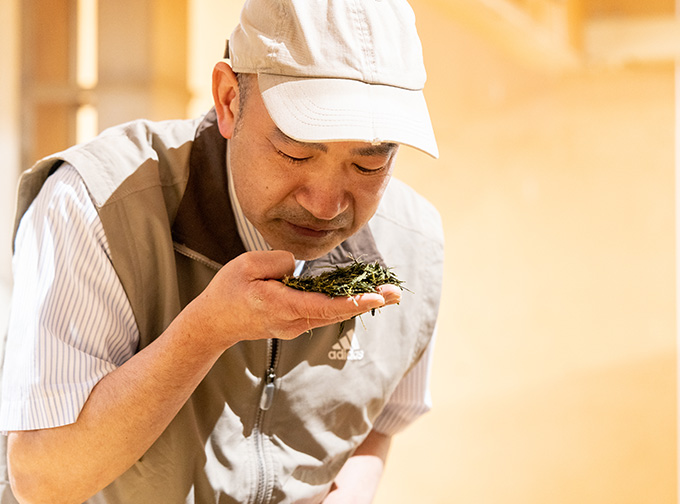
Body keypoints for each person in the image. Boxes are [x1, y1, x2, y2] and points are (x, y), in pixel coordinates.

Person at [0, 0, 443, 502]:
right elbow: (42, 479)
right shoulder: (95, 204)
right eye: (295, 152)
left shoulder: (414, 241)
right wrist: (207, 330)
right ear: (230, 99)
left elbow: (377, 424)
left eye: (368, 165)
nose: (325, 205)